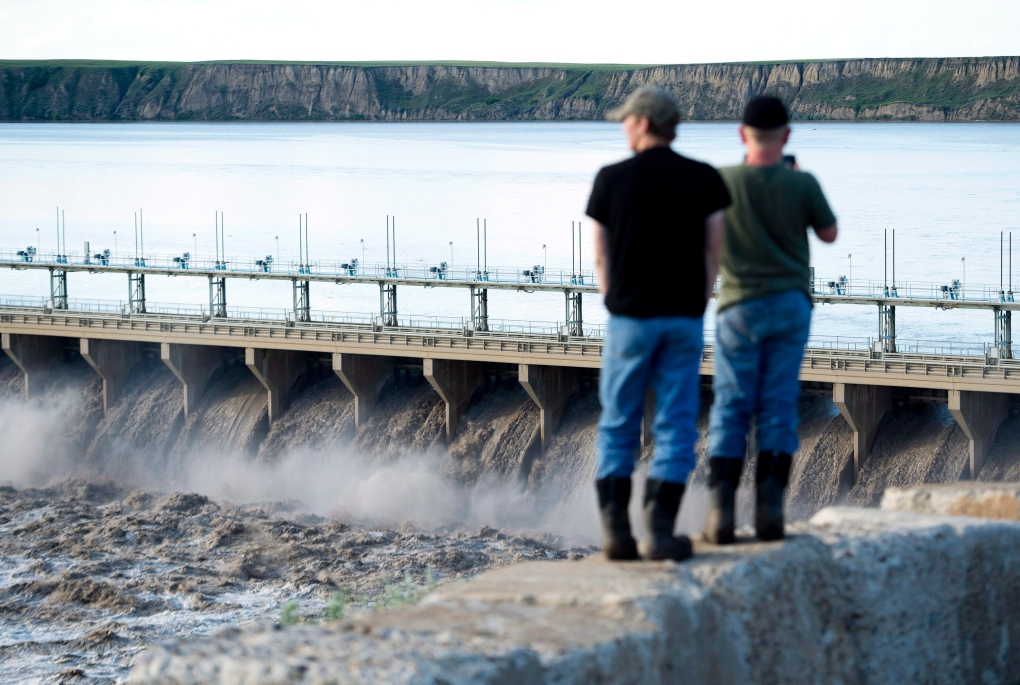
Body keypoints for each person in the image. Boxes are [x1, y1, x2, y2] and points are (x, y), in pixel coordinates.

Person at [586, 86, 730, 561]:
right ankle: (661, 532)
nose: (624, 127)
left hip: (628, 318)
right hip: (682, 319)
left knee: (618, 421)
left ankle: (616, 534)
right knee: (676, 424)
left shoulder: (610, 179)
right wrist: (699, 299)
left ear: (644, 123)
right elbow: (715, 253)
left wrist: (614, 300)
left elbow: (600, 255)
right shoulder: (704, 178)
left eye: (626, 120)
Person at [704, 95, 838, 544]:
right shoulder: (802, 184)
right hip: (789, 306)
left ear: (742, 134)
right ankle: (769, 513)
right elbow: (829, 233)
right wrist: (797, 187)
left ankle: (721, 513)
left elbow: (704, 238)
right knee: (779, 406)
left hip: (738, 304)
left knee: (731, 404)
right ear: (787, 135)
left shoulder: (722, 180)